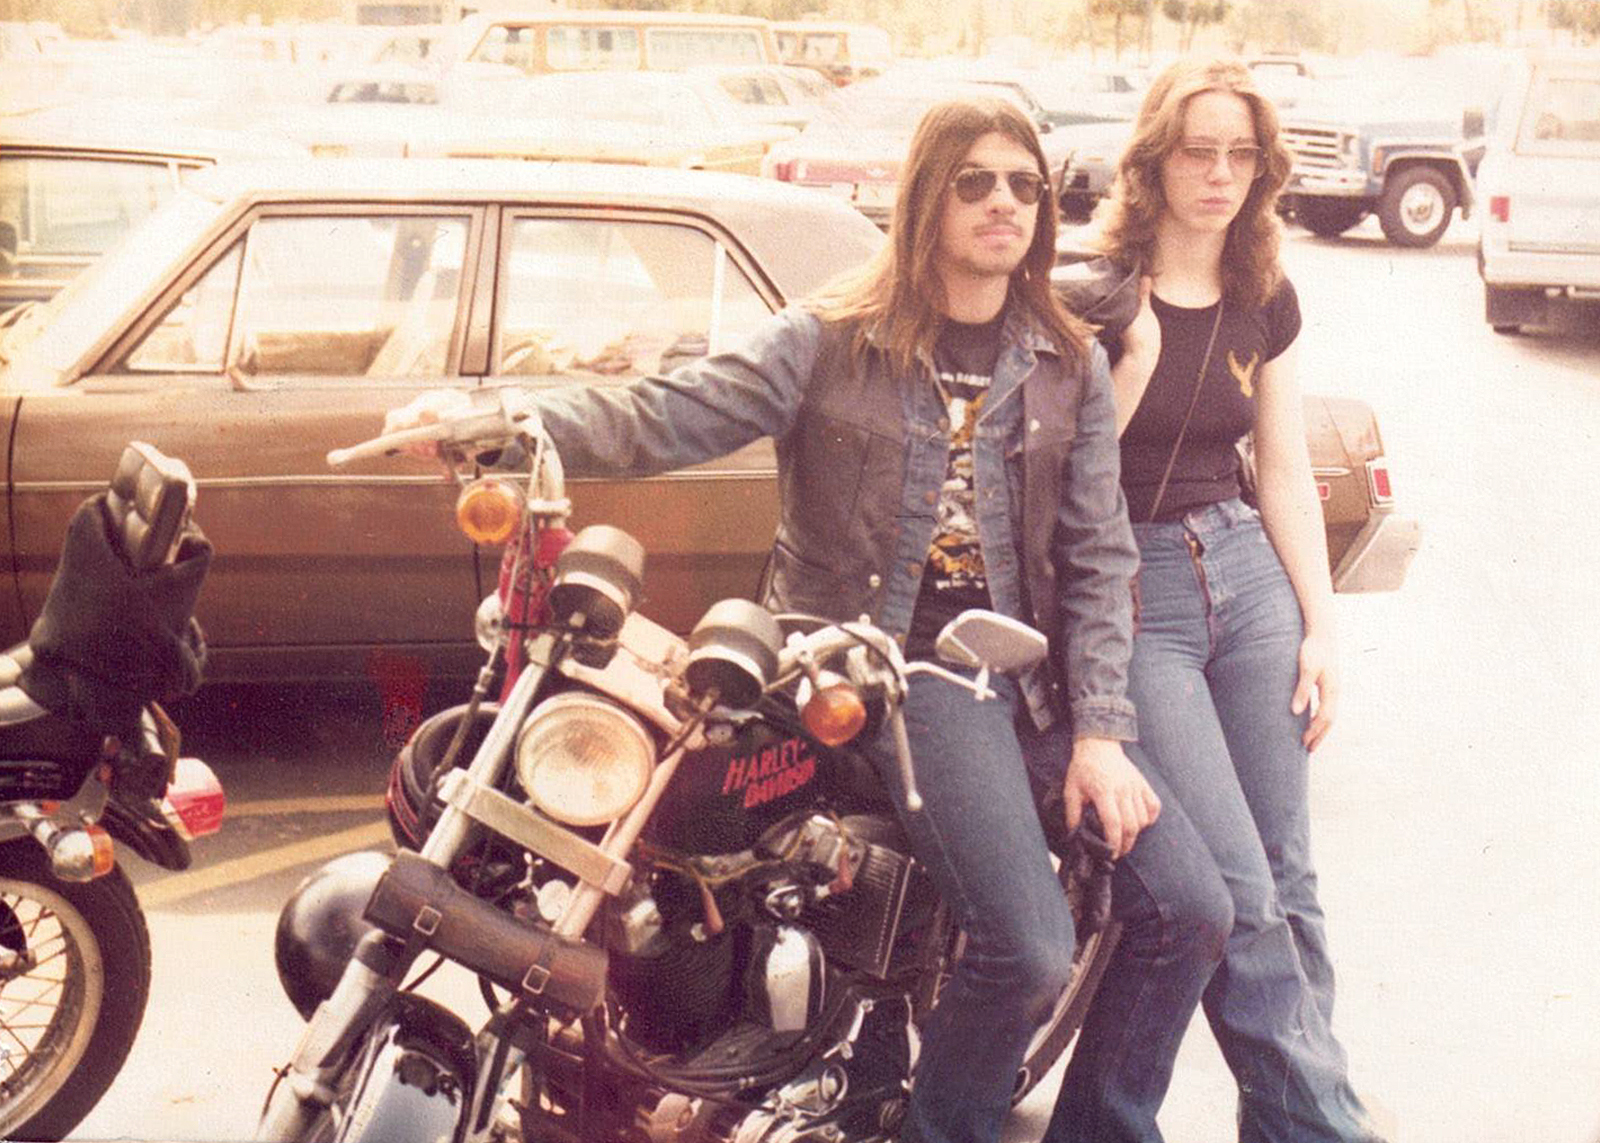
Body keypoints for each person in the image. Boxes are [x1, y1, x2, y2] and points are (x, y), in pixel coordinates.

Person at [387, 97, 1232, 1143]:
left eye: (1022, 182)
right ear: (927, 198)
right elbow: (669, 411)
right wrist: (508, 422)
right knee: (1028, 946)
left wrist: (1099, 733)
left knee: (1192, 912)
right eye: (975, 180)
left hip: (1032, 675)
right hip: (888, 669)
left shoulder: (1065, 360)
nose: (1003, 202)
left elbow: (1100, 556)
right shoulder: (831, 341)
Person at [1079, 55, 1387, 1142]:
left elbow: (1287, 469)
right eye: (1196, 151)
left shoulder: (1265, 296)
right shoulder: (1100, 297)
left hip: (1248, 574)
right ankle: (1328, 1125)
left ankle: (1292, 1119)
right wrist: (1129, 368)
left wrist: (1320, 626)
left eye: (1239, 154)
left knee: (1290, 880)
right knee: (1234, 891)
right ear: (1153, 161)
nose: (1218, 174)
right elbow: (1056, 484)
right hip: (1140, 593)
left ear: (1261, 169)